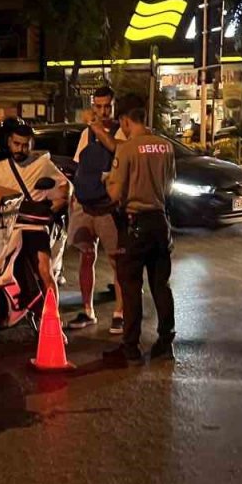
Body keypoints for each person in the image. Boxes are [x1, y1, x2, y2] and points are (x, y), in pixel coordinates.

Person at [106, 94, 177, 363]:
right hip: (161, 223)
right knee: (161, 285)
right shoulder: (166, 147)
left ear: (125, 121)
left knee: (131, 286)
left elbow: (115, 194)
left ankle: (130, 348)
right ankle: (165, 342)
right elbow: (170, 186)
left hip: (135, 225)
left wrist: (105, 183)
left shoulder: (127, 149)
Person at [0, 118, 69, 299]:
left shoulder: (43, 164)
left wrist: (51, 211)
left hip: (34, 228)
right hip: (6, 230)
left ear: (32, 145)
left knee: (45, 272)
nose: (20, 149)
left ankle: (53, 318)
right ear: (9, 142)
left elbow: (65, 187)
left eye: (25, 145)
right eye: (16, 144)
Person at [66, 86, 125, 335]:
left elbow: (119, 154)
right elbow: (79, 167)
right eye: (98, 106)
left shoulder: (122, 132)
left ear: (114, 106)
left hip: (109, 207)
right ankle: (88, 310)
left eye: (107, 106)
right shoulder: (86, 134)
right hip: (85, 204)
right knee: (86, 256)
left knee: (116, 260)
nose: (102, 111)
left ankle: (120, 313)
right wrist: (72, 200)